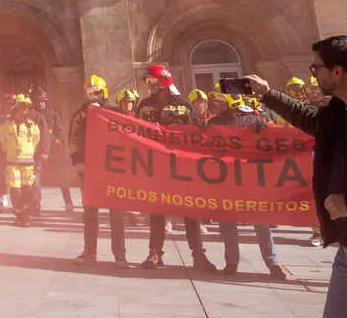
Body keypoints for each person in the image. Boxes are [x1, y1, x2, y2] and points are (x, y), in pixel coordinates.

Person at [249, 35, 347, 317]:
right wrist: (267, 93)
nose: (312, 74)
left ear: (337, 72)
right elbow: (309, 119)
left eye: (316, 68)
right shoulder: (337, 111)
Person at [136, 64, 217, 271]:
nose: (149, 86)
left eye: (151, 81)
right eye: (147, 82)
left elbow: (202, 129)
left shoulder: (183, 105)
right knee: (156, 211)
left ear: (162, 81)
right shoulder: (144, 106)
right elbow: (132, 131)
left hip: (182, 168)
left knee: (190, 211)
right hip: (155, 167)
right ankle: (155, 254)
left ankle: (198, 255)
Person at [207, 94, 289, 279]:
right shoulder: (213, 124)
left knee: (260, 223)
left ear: (229, 103)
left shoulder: (251, 120)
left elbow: (270, 141)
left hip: (250, 179)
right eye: (212, 102)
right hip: (227, 180)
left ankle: (272, 263)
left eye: (218, 101)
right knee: (228, 224)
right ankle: (232, 262)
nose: (213, 104)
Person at [69, 75, 128, 266]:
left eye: (96, 92)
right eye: (89, 93)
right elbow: (73, 139)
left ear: (104, 92)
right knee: (90, 213)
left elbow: (126, 137)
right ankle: (89, 252)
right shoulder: (79, 114)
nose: (93, 96)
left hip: (112, 169)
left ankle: (120, 255)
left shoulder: (114, 112)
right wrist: (78, 163)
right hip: (89, 169)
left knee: (117, 214)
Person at [0, 95, 40, 227]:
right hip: (12, 163)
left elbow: (36, 140)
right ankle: (19, 215)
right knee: (14, 190)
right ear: (15, 109)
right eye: (21, 108)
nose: (24, 111)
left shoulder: (32, 126)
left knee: (27, 190)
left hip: (28, 163)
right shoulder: (6, 125)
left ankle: (25, 217)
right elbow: (2, 139)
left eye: (26, 109)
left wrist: (29, 152)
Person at [30, 88, 68, 215]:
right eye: (39, 101)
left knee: (61, 176)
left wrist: (57, 141)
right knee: (35, 177)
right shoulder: (32, 115)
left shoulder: (52, 114)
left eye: (43, 101)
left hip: (53, 150)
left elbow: (61, 131)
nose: (41, 104)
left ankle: (68, 202)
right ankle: (35, 204)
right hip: (38, 151)